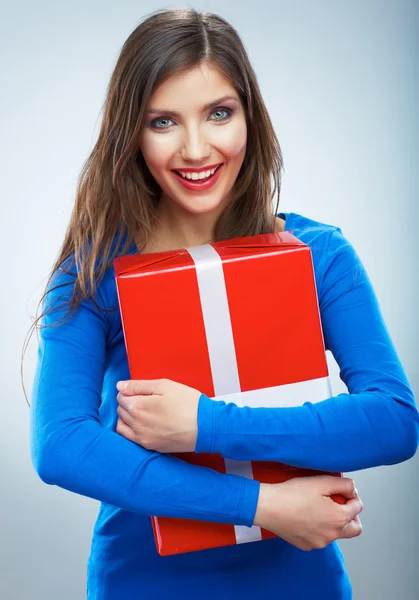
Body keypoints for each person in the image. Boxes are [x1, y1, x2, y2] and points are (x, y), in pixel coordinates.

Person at [26, 7, 418, 600]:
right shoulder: (92, 273)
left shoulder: (319, 254)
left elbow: (394, 420)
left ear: (249, 119)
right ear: (131, 132)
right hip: (144, 582)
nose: (195, 148)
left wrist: (206, 424)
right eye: (163, 121)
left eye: (218, 113)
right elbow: (61, 446)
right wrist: (264, 505)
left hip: (299, 580)